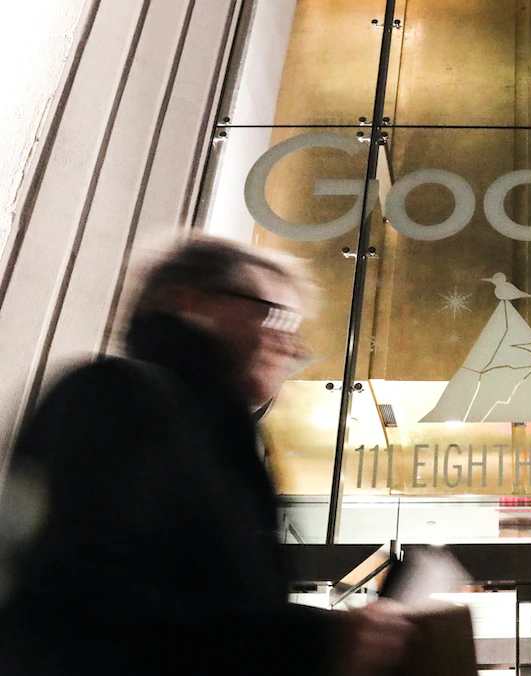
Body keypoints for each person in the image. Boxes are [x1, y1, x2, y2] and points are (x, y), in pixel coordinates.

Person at [0, 238, 413, 675]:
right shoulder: (116, 394)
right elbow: (87, 605)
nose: (291, 348)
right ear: (189, 303)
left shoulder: (220, 437)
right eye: (276, 316)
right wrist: (317, 642)